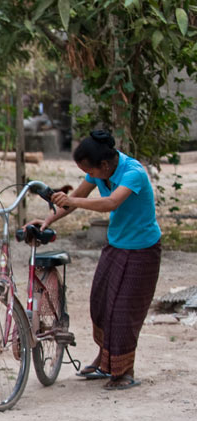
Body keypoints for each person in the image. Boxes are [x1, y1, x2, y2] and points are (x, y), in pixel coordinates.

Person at [30, 129, 161, 391]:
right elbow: (71, 204)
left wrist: (73, 199)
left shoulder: (133, 172)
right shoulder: (98, 172)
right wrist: (47, 220)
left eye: (89, 170)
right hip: (116, 245)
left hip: (142, 250)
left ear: (104, 164)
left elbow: (111, 203)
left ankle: (124, 372)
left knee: (124, 311)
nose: (88, 175)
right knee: (100, 304)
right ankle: (104, 362)